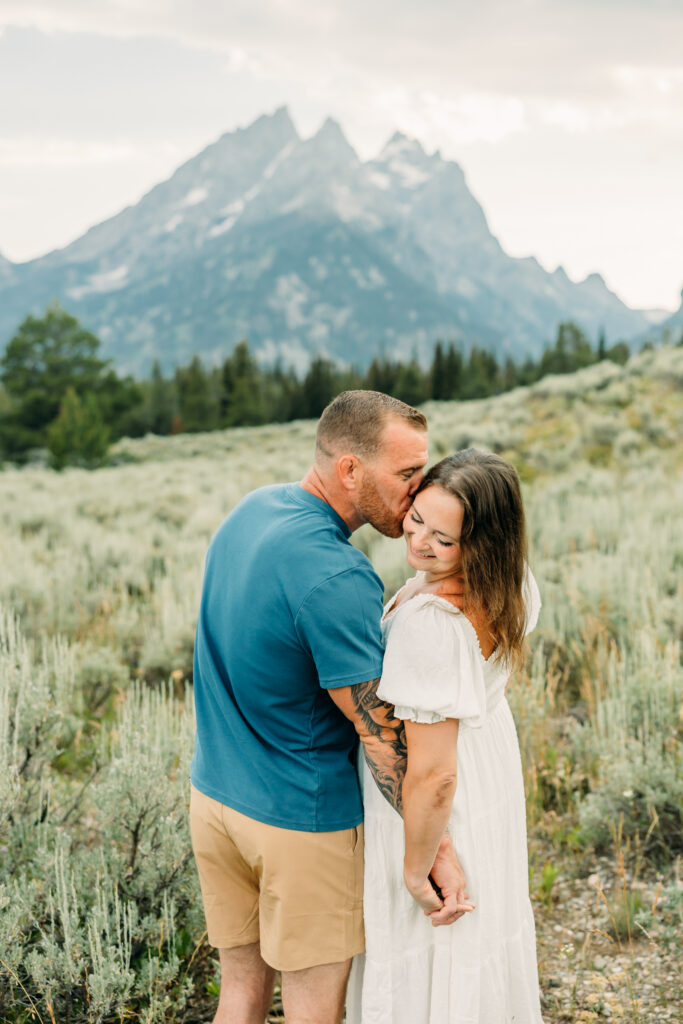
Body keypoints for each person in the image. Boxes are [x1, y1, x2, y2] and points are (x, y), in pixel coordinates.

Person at [189, 391, 469, 1024]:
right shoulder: (336, 575)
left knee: (239, 993)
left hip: (213, 803)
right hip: (298, 822)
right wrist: (436, 852)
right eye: (404, 475)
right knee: (315, 1012)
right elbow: (380, 734)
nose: (418, 491)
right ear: (350, 470)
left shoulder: (251, 510)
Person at [346, 448, 545, 1024]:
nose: (419, 543)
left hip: (441, 784)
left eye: (444, 538)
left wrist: (416, 862)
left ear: (480, 546)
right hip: (489, 761)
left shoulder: (434, 622)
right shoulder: (513, 582)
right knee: (477, 933)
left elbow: (434, 774)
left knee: (430, 930)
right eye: (417, 520)